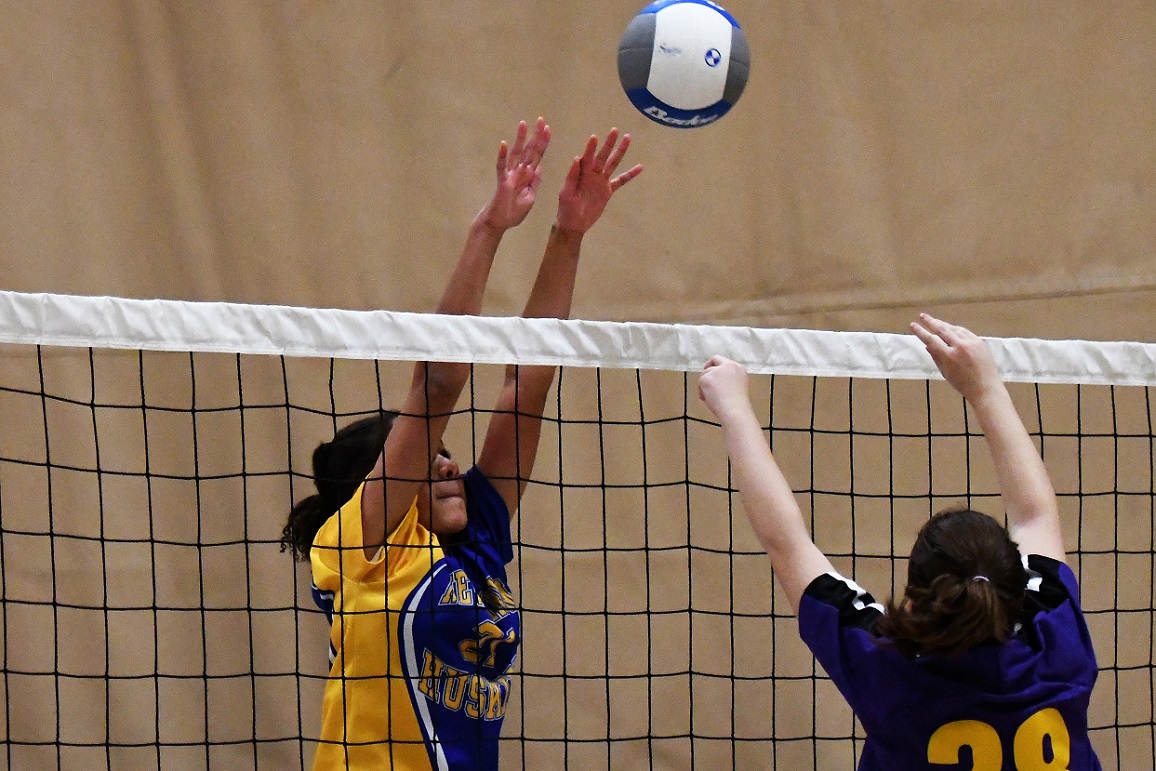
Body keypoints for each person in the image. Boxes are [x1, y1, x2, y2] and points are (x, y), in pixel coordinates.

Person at [281, 118, 642, 770]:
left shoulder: (476, 537)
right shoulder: (363, 542)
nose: (447, 459)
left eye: (444, 448)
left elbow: (524, 386)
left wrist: (567, 233)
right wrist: (490, 228)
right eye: (427, 453)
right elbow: (439, 381)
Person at [697, 314, 1100, 770]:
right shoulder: (1056, 638)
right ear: (1016, 591)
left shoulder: (887, 670)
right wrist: (985, 387)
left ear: (914, 602)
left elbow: (786, 543)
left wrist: (733, 409)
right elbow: (1036, 515)